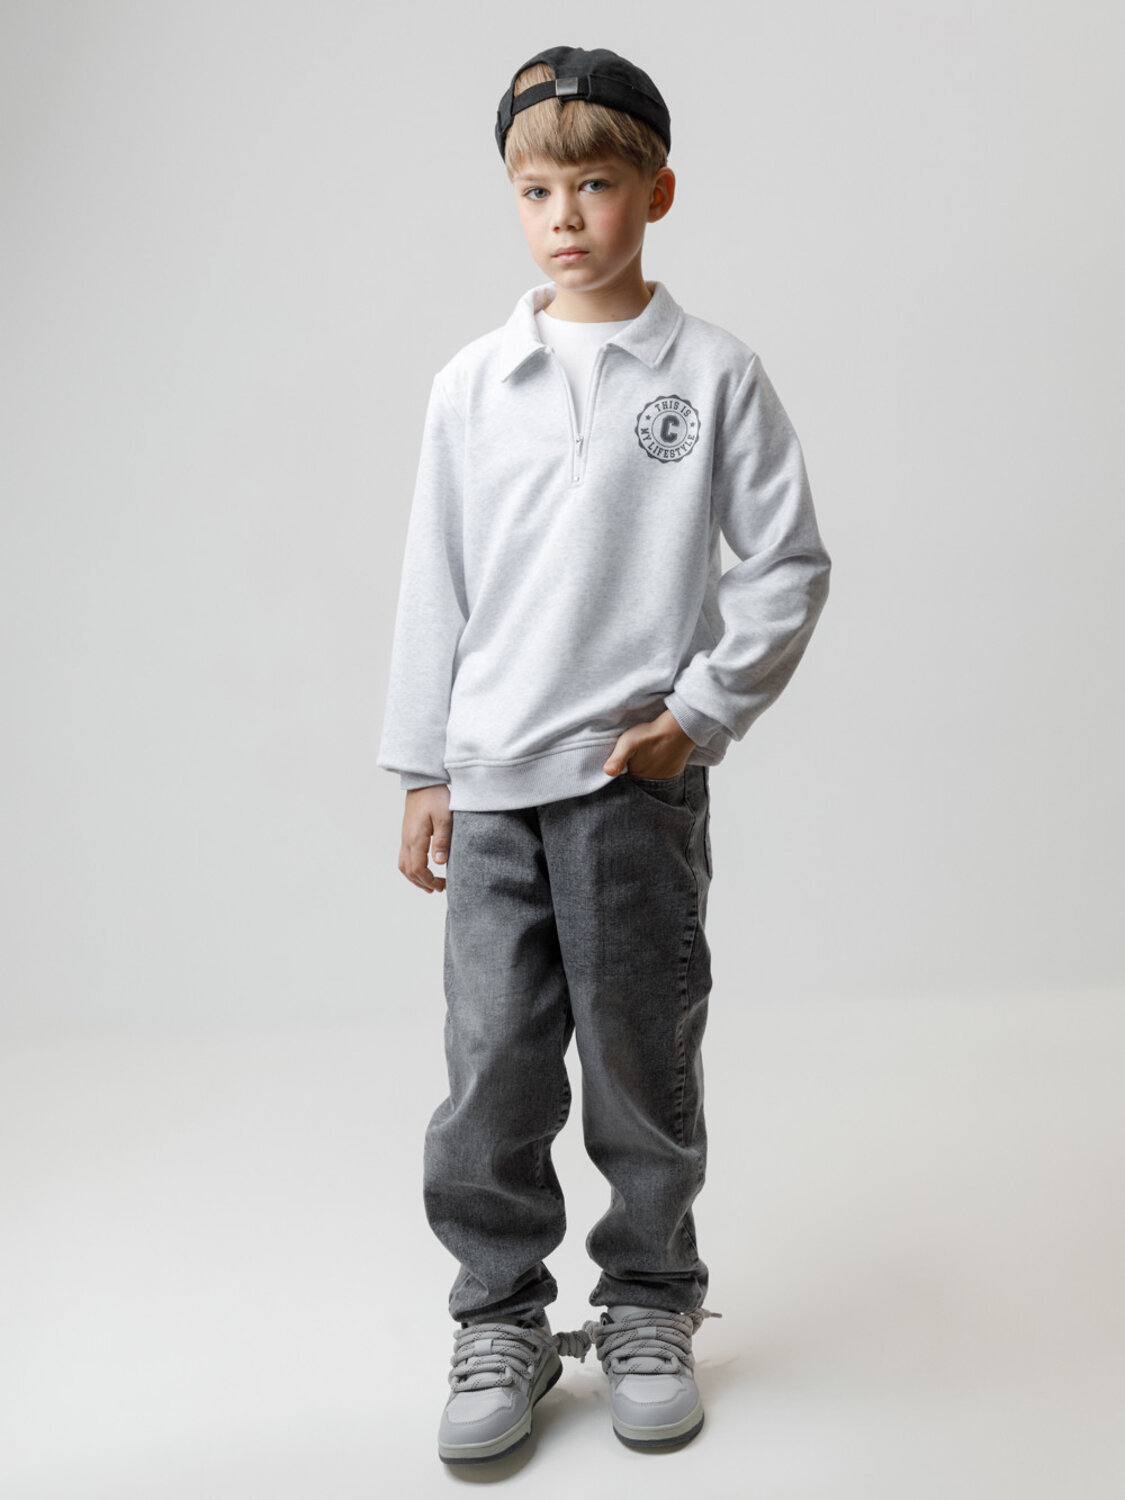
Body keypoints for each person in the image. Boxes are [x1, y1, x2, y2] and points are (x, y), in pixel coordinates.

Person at [376, 44, 832, 1465]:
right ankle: (499, 1316)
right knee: (493, 1069)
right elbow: (435, 580)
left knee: (641, 1062)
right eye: (536, 191)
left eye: (594, 186)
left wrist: (697, 716)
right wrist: (422, 767)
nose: (565, 216)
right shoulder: (474, 383)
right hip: (493, 791)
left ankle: (646, 1300)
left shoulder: (712, 374)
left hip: (631, 788)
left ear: (656, 192)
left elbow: (786, 563)